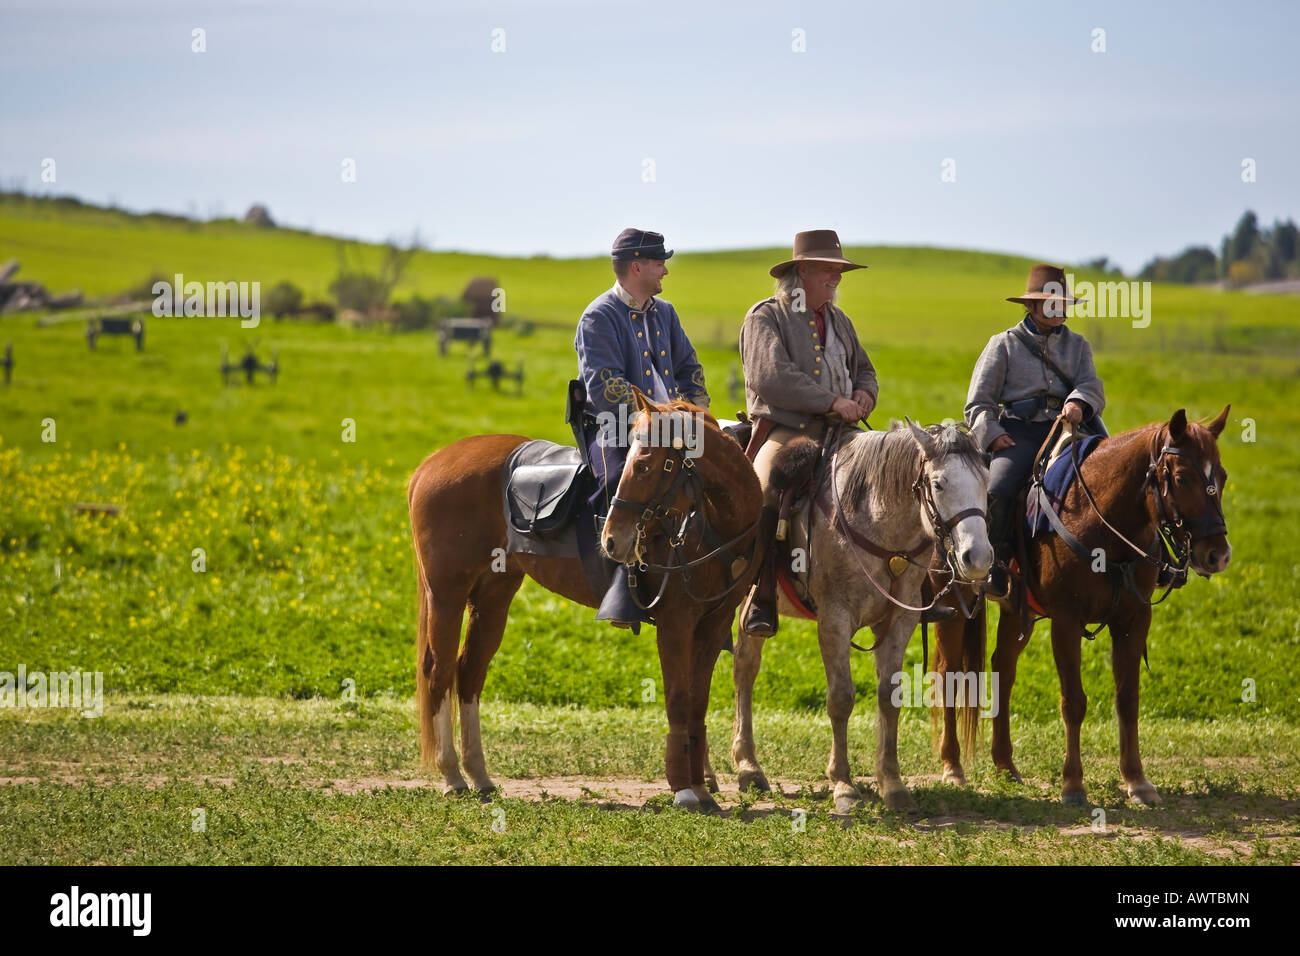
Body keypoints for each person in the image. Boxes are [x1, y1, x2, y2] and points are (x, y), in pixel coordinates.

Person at [738, 229, 877, 636]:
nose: (836, 279)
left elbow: (865, 369)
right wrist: (831, 402)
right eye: (827, 271)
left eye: (839, 272)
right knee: (765, 489)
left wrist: (865, 394)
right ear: (801, 272)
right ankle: (761, 595)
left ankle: (905, 587)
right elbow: (772, 377)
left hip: (845, 433)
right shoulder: (765, 316)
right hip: (786, 429)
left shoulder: (840, 320)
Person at [574, 228, 710, 628]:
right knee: (623, 481)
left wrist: (695, 412)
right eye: (658, 263)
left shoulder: (665, 312)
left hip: (678, 425)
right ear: (637, 267)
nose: (665, 270)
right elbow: (606, 386)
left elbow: (690, 368)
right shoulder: (598, 317)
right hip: (617, 427)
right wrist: (657, 422)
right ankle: (624, 587)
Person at [965, 263, 1106, 598]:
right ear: (1030, 306)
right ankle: (996, 563)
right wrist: (993, 435)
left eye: (1062, 303)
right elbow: (978, 403)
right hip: (1018, 433)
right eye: (1050, 302)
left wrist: (1078, 402)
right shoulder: (1003, 345)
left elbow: (1091, 386)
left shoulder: (1078, 345)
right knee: (998, 488)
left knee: (1115, 477)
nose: (1059, 310)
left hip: (1070, 430)